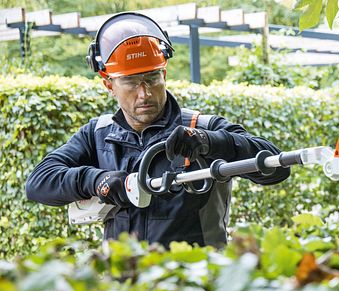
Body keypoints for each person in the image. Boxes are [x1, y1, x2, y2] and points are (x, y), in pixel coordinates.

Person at [25, 12, 288, 248]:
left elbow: (277, 168)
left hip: (195, 286)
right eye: (130, 82)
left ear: (165, 73)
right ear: (109, 84)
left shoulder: (202, 127)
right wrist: (96, 181)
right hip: (126, 286)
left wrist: (211, 142)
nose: (145, 93)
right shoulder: (98, 135)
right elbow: (39, 182)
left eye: (152, 77)